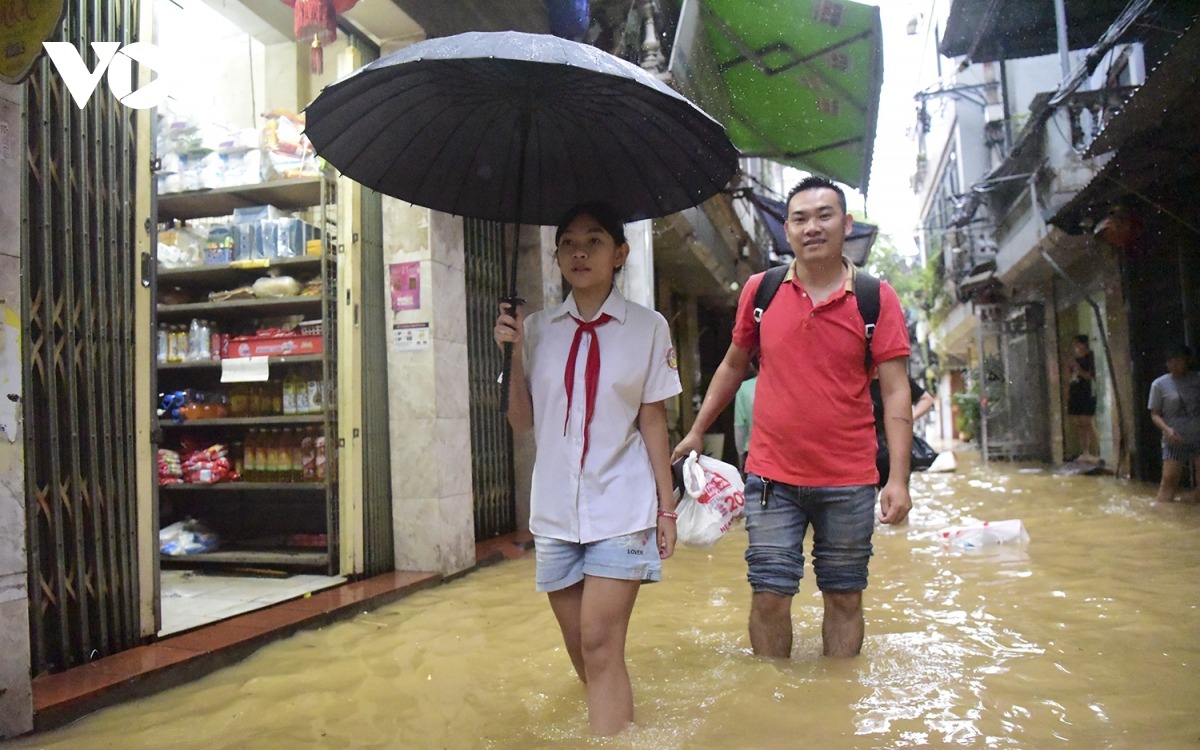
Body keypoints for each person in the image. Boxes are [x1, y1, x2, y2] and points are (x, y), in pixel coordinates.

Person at [671, 176, 913, 659]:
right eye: (800, 219)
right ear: (787, 230)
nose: (812, 227)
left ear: (846, 225)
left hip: (849, 479)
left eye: (824, 216)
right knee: (769, 597)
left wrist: (899, 480)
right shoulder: (761, 292)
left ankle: (838, 713)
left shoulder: (875, 298)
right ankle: (771, 706)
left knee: (844, 597)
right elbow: (734, 364)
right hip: (771, 479)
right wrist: (697, 430)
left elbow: (896, 391)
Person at [493, 201, 681, 734]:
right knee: (585, 653)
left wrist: (666, 508)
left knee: (599, 642)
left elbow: (653, 422)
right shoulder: (536, 331)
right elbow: (521, 423)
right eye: (568, 241)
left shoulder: (649, 328)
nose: (579, 251)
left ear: (619, 254)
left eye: (594, 240)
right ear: (555, 256)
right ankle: (628, 732)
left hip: (622, 505)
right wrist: (511, 351)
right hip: (554, 511)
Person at [1148, 345, 1200, 503]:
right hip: (1174, 439)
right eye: (1170, 361)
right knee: (1168, 481)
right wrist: (1168, 430)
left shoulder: (1197, 379)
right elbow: (1154, 414)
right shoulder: (1159, 384)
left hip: (1198, 436)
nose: (1174, 365)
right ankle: (1162, 518)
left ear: (1187, 361)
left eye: (1178, 361)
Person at [871, 375, 937, 487]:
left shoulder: (896, 380)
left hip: (886, 449)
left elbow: (927, 400)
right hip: (879, 448)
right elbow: (927, 399)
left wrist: (907, 419)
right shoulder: (896, 380)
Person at [1066, 334, 1099, 460]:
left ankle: (1095, 452)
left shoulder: (1089, 357)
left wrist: (1077, 367)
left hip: (1087, 391)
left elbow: (1089, 375)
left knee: (1087, 422)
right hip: (1076, 391)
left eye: (1077, 343)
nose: (1075, 346)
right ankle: (1085, 451)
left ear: (1083, 344)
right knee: (1079, 423)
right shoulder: (1075, 358)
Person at [733, 357, 758, 470]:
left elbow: (740, 427)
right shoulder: (786, 386)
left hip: (753, 453)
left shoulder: (744, 388)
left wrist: (740, 456)